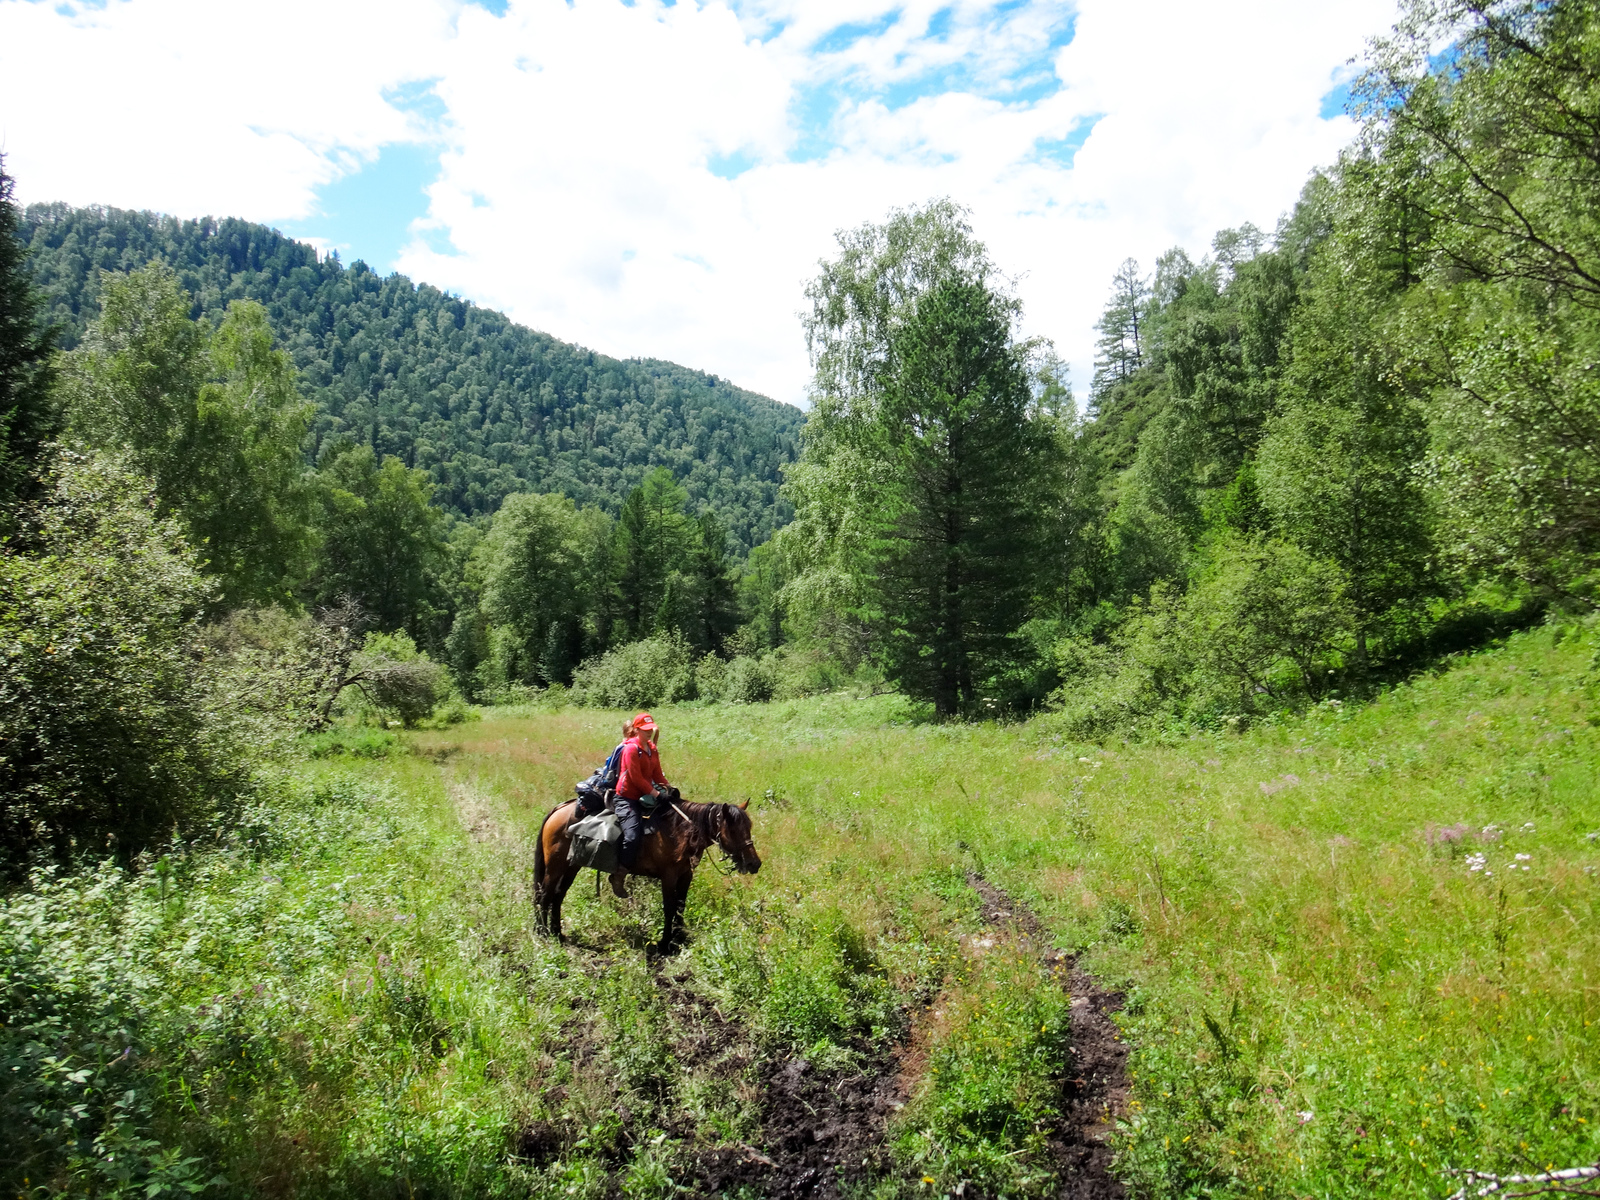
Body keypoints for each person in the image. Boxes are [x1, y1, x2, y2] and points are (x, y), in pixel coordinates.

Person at [610, 711, 673, 897]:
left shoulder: (652, 748)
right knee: (632, 834)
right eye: (644, 730)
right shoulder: (630, 749)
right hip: (627, 797)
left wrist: (667, 787)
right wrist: (656, 794)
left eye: (650, 730)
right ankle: (619, 874)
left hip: (647, 795)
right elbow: (635, 778)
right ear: (636, 730)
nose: (648, 733)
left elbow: (657, 774)